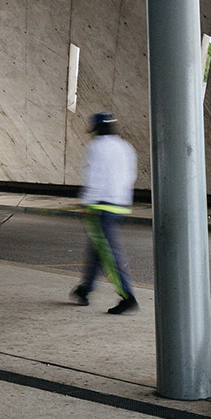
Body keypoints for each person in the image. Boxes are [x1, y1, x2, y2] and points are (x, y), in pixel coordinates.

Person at [70, 112, 139, 314]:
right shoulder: (126, 147)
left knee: (108, 252)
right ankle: (84, 290)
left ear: (96, 129)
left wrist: (86, 202)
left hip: (101, 207)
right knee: (98, 249)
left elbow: (94, 176)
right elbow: (130, 175)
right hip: (120, 205)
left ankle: (127, 296)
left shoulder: (95, 147)